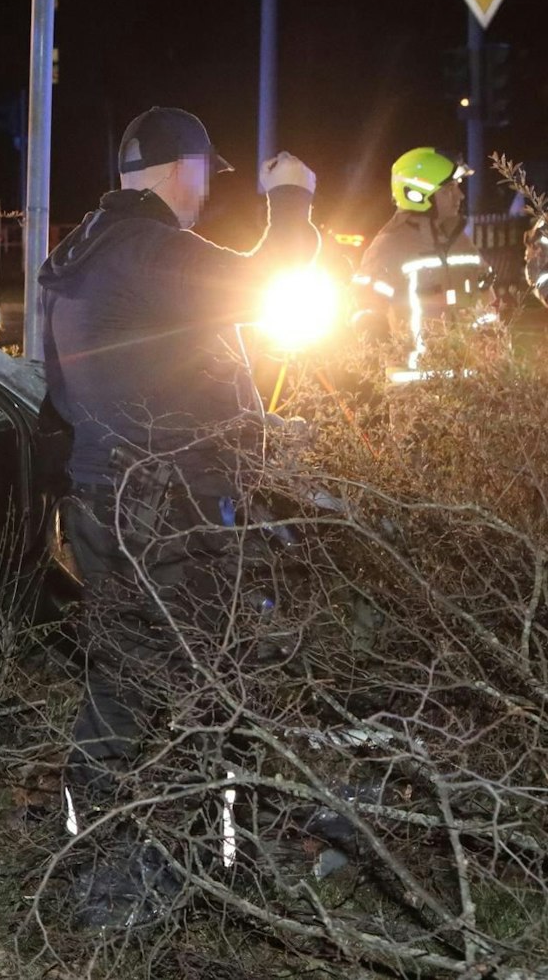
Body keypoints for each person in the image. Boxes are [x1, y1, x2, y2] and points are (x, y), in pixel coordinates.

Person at [37, 107, 318, 919]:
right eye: (205, 174)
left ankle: (101, 855)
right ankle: (188, 865)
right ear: (178, 170)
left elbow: (65, 388)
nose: (206, 192)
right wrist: (292, 200)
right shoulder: (153, 247)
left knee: (124, 683)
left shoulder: (77, 254)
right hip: (165, 510)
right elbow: (273, 280)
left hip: (105, 499)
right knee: (201, 683)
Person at [357, 147, 492, 366]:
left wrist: (492, 346)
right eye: (449, 188)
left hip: (470, 385)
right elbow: (365, 314)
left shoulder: (461, 242)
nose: (460, 195)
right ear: (417, 194)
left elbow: (487, 302)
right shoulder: (389, 247)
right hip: (413, 391)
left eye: (457, 187)